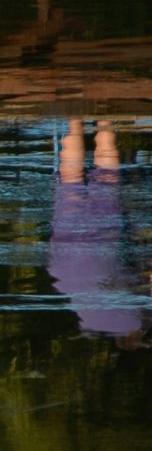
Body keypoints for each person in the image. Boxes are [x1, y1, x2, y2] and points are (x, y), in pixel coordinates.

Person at [48, 119, 144, 347]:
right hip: (63, 261)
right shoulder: (93, 321)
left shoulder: (134, 316)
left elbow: (141, 278)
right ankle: (73, 119)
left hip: (99, 245)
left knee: (106, 180)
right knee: (70, 183)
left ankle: (105, 120)